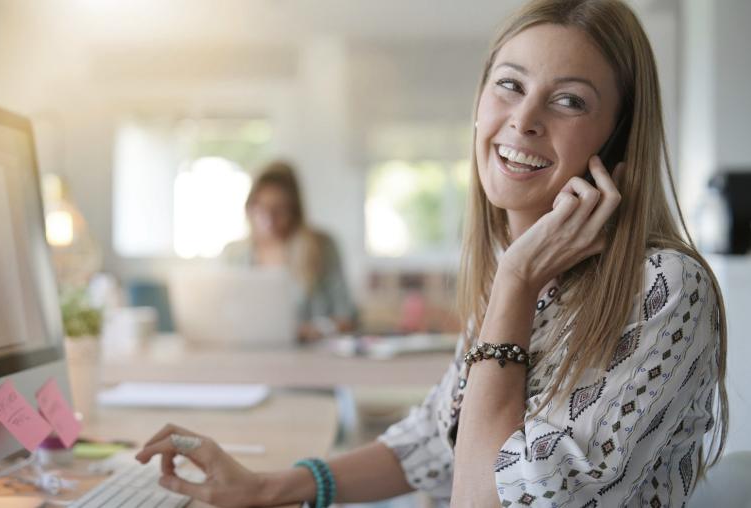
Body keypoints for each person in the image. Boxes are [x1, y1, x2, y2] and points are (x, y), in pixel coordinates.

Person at [136, 0, 728, 506]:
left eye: (569, 101)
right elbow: (433, 439)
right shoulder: (522, 279)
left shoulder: (664, 288)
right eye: (510, 85)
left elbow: (481, 498)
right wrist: (265, 487)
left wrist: (515, 282)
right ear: (480, 106)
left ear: (617, 142)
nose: (523, 120)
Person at [221, 160, 356, 342]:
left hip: (311, 358)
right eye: (261, 208)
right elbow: (223, 315)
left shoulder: (322, 247)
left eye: (279, 209)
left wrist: (315, 330)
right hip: (249, 355)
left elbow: (346, 316)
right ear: (249, 208)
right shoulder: (233, 254)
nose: (269, 219)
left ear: (295, 211)